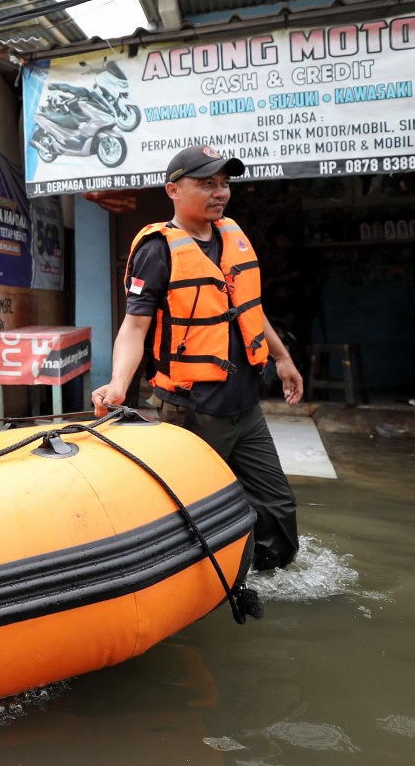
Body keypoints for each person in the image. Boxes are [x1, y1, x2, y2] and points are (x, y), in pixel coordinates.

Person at [90, 145, 303, 571]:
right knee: (186, 512)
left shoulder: (231, 237)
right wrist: (118, 383)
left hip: (246, 407)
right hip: (193, 410)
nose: (219, 192)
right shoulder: (158, 249)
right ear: (173, 190)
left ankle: (260, 577)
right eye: (206, 183)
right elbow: (134, 327)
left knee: (278, 509)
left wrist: (283, 358)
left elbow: (249, 311)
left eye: (224, 183)